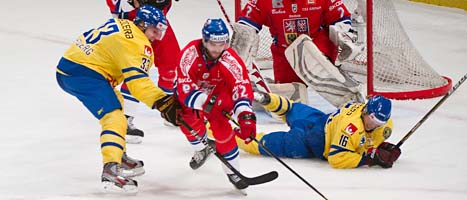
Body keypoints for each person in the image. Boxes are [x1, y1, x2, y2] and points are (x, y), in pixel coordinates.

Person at [56, 5, 180, 193]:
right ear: (143, 25)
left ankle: (118, 153)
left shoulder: (122, 24)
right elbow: (137, 84)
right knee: (113, 116)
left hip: (75, 66)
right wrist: (163, 102)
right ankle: (110, 169)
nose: (157, 36)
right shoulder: (137, 43)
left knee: (118, 105)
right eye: (155, 30)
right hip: (82, 73)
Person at [233, 0, 365, 107]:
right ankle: (256, 90)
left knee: (313, 56)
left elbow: (339, 15)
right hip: (284, 53)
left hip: (317, 45)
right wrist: (239, 49)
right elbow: (246, 24)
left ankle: (349, 96)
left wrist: (345, 34)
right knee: (289, 101)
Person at [175, 18, 257, 190]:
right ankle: (202, 148)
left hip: (220, 97)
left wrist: (246, 116)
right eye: (213, 44)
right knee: (185, 120)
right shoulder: (189, 54)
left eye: (223, 44)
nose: (218, 49)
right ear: (204, 40)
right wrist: (207, 104)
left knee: (222, 130)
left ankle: (233, 171)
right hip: (194, 97)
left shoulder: (229, 58)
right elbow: (183, 87)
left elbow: (241, 84)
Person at [237, 91, 401, 169]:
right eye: (373, 119)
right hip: (308, 142)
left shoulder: (384, 127)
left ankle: (265, 98)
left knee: (292, 108)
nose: (375, 124)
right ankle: (230, 137)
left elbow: (367, 140)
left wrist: (380, 148)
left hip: (321, 120)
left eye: (380, 121)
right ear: (365, 111)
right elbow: (337, 158)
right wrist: (369, 159)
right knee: (264, 144)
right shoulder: (351, 127)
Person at [106, 0, 181, 143]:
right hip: (134, 21)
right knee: (136, 68)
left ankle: (170, 111)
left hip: (157, 19)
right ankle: (125, 120)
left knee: (171, 63)